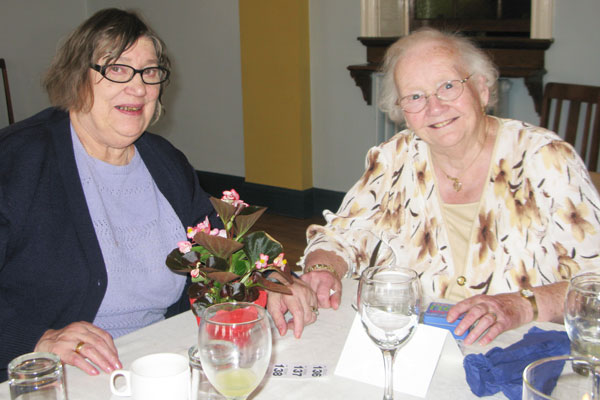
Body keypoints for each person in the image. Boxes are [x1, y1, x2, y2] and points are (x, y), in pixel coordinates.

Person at [269, 28, 600, 345]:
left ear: (482, 90)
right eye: (415, 96)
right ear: (402, 112)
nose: (435, 106)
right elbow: (342, 236)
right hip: (412, 346)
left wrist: (521, 305)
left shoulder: (545, 158)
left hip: (520, 351)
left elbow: (595, 283)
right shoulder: (394, 158)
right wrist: (324, 269)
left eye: (447, 86)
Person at [0, 8, 221, 380]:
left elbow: (219, 251)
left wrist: (269, 283)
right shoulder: (17, 160)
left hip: (157, 360)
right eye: (116, 69)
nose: (138, 87)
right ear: (76, 77)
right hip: (53, 376)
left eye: (150, 72)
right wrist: (38, 339)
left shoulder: (165, 161)